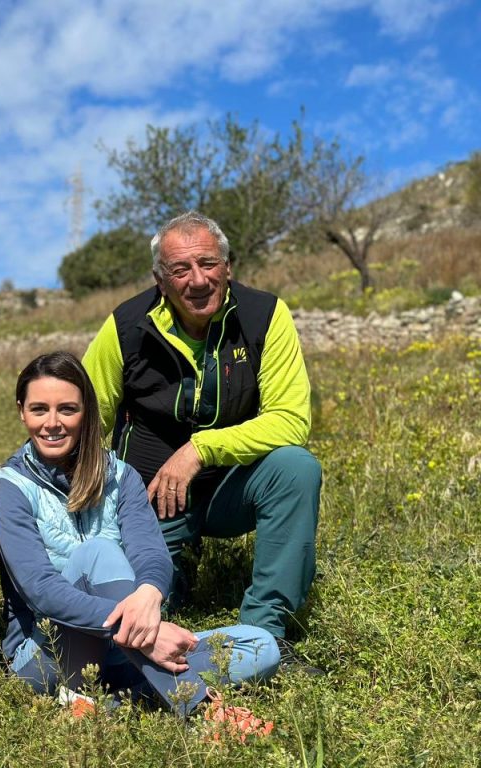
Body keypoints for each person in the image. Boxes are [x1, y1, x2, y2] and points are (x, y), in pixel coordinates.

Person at [82, 211, 321, 662]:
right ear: (160, 279)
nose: (197, 280)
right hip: (150, 502)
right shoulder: (125, 326)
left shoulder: (265, 316)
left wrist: (199, 449)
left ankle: (264, 635)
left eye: (208, 264)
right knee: (142, 623)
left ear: (228, 266)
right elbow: (86, 422)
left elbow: (290, 418)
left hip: (232, 489)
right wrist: (103, 507)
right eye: (180, 270)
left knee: (296, 468)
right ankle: (178, 577)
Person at [0, 351, 279, 717]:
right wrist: (147, 634)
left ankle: (114, 703)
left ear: (87, 412)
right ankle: (198, 711)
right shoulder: (12, 485)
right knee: (98, 553)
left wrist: (149, 594)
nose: (53, 423)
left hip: (124, 650)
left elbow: (151, 554)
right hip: (48, 652)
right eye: (39, 410)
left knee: (261, 645)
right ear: (22, 411)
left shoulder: (121, 476)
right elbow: (42, 591)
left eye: (67, 409)